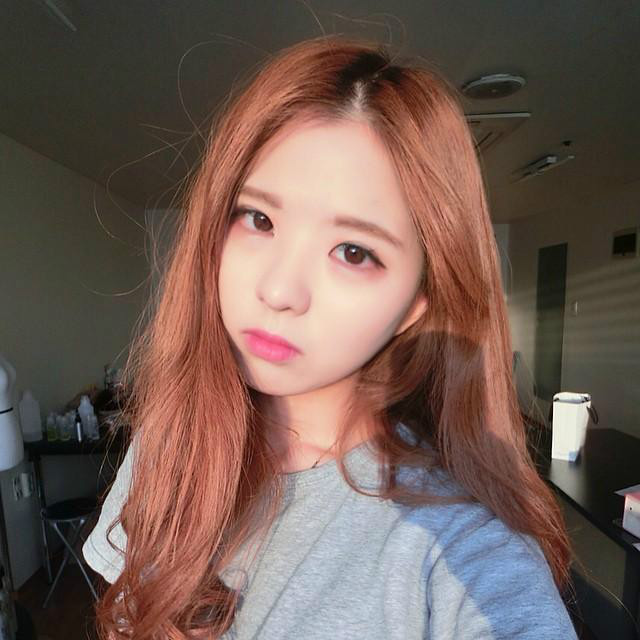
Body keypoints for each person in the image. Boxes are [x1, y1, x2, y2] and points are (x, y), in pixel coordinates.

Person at [82, 35, 579, 639]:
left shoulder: (457, 545)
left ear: (415, 304)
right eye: (258, 218)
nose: (279, 290)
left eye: (353, 252)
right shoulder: (173, 445)